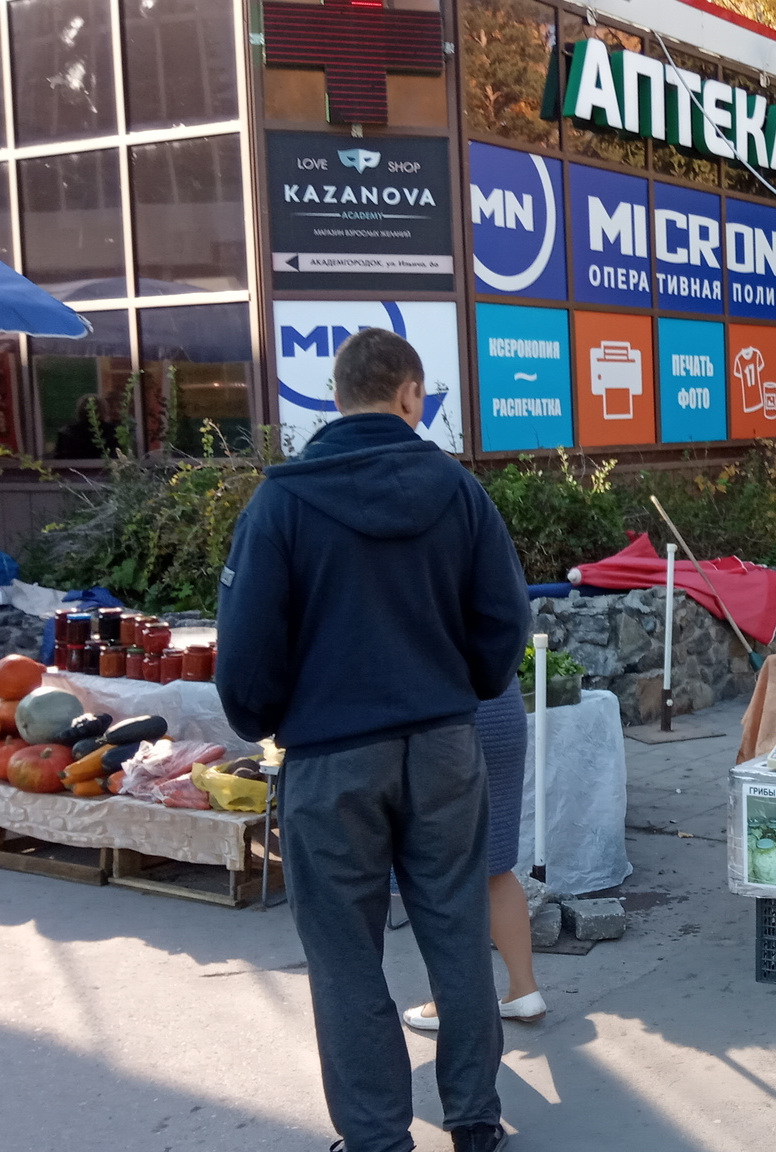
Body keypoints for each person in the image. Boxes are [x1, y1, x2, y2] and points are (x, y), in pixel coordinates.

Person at [216, 328, 530, 1152]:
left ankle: (377, 1138)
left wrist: (274, 715)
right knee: (457, 931)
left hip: (329, 758)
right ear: (410, 397)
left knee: (345, 956)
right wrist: (457, 684)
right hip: (441, 745)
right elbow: (506, 620)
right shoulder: (458, 491)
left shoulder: (281, 500)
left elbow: (244, 657)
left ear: (334, 394)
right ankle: (474, 1124)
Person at [402, 676, 547, 1031]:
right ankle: (524, 991)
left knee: (441, 872)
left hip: (445, 718)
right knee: (495, 864)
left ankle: (451, 1003)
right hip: (501, 708)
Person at [52, 393, 120, 459]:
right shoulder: (114, 433)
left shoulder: (66, 433)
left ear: (79, 410)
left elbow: (58, 459)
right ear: (104, 410)